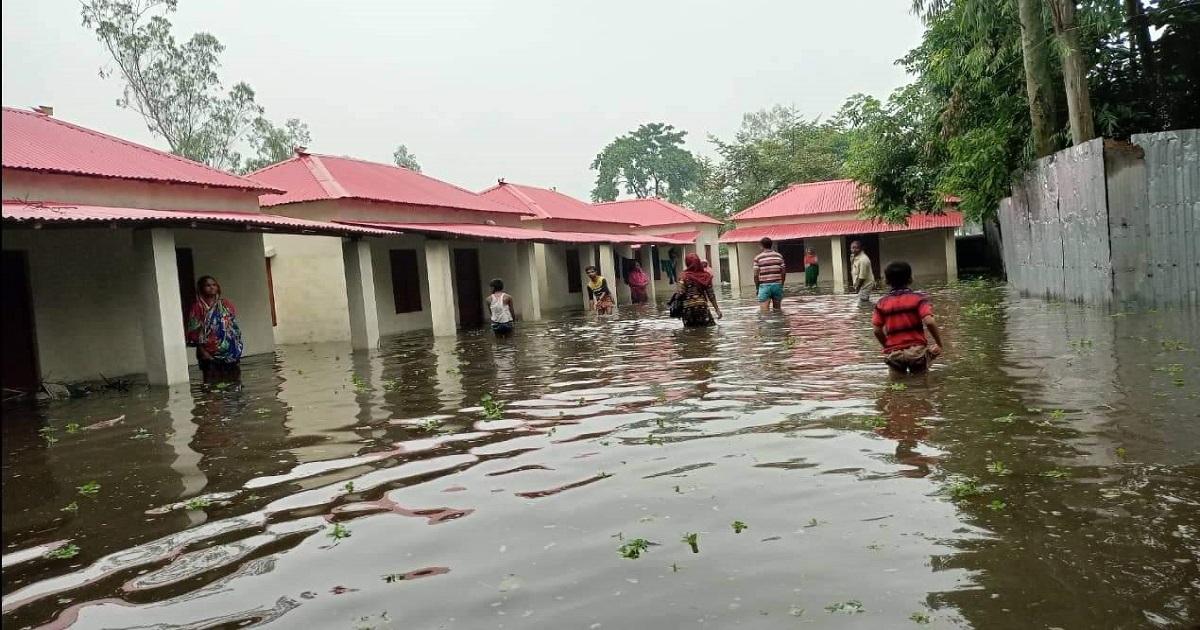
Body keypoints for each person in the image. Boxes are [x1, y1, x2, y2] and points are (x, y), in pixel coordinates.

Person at [871, 261, 944, 375]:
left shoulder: (881, 303)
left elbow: (877, 330)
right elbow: (929, 322)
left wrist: (887, 346)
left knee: (895, 385)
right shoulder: (918, 299)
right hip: (916, 352)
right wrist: (939, 343)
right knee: (921, 384)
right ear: (910, 279)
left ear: (886, 281)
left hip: (894, 354)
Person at [185, 275, 244, 385]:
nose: (211, 287)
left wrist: (236, 348)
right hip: (207, 352)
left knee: (233, 383)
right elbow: (194, 331)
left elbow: (233, 327)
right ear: (201, 288)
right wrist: (203, 351)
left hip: (230, 352)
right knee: (212, 385)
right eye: (207, 285)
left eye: (214, 285)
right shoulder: (198, 307)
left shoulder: (225, 305)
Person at [678, 252, 722, 327]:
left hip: (687, 309)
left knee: (690, 333)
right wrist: (717, 310)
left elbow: (681, 293)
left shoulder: (683, 276)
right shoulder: (706, 276)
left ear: (687, 263)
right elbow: (711, 295)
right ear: (698, 262)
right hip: (702, 308)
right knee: (708, 331)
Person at [752, 237, 786, 313]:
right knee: (778, 312)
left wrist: (757, 288)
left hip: (764, 286)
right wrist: (781, 284)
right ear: (771, 245)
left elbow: (756, 275)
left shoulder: (758, 258)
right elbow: (783, 272)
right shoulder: (779, 256)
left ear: (761, 246)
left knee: (764, 313)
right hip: (777, 285)